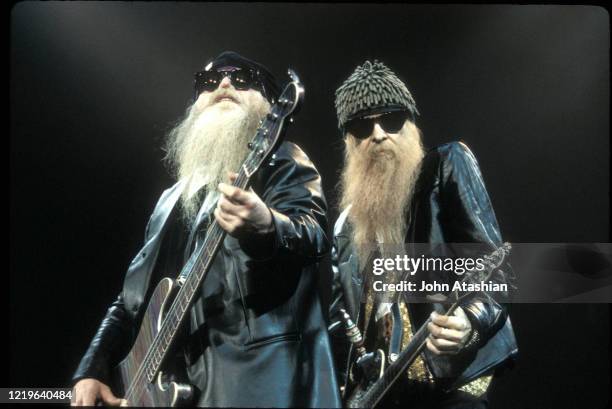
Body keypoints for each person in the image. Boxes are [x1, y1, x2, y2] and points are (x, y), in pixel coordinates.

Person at [71, 51, 341, 408]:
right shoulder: (172, 199)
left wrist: (268, 226)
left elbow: (315, 236)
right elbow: (131, 300)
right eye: (208, 82)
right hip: (179, 392)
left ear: (269, 107)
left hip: (265, 384)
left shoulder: (281, 161)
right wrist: (94, 367)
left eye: (242, 80)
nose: (224, 84)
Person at [328, 60, 517, 408]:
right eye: (361, 127)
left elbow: (496, 267)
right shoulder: (347, 226)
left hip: (451, 379)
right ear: (349, 142)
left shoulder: (445, 166)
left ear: (411, 125)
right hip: (386, 389)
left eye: (391, 119)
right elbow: (341, 320)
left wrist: (469, 321)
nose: (378, 133)